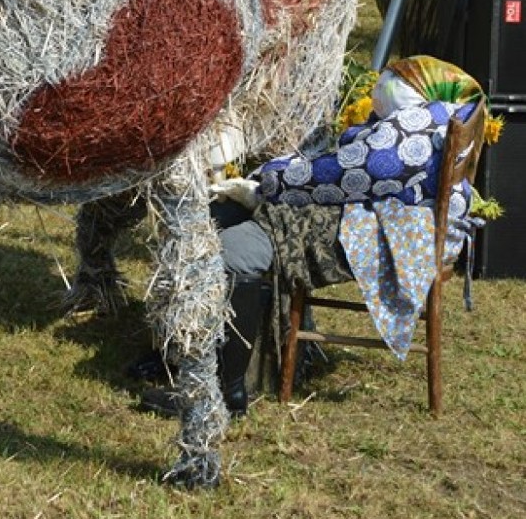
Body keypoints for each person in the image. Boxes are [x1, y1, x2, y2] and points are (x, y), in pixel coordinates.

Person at [137, 55, 487, 413]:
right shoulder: (441, 116)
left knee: (232, 253)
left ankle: (222, 393)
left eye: (393, 81)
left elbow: (337, 175)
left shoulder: (408, 136)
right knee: (214, 217)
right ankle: (172, 352)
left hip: (374, 234)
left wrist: (267, 179)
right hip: (373, 216)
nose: (381, 86)